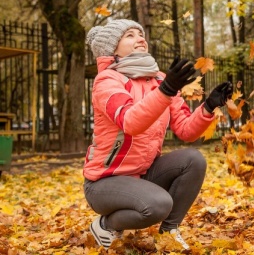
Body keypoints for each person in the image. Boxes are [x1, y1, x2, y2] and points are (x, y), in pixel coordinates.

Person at [83, 19, 233, 251]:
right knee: (158, 205)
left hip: (142, 175)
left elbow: (185, 130)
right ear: (112, 49)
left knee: (193, 160)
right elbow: (130, 121)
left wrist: (208, 107)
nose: (140, 38)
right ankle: (106, 223)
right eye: (130, 35)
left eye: (140, 34)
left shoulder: (160, 79)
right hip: (104, 182)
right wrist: (166, 91)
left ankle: (169, 232)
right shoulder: (107, 81)